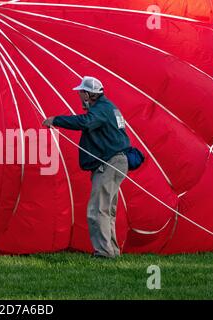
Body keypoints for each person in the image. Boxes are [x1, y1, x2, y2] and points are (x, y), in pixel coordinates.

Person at [42, 76, 130, 259]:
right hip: (116, 161)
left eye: (81, 92)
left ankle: (105, 252)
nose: (79, 96)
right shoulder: (109, 107)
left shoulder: (101, 109)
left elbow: (85, 122)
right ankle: (111, 251)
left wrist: (55, 120)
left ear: (89, 94)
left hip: (109, 163)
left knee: (97, 209)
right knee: (107, 209)